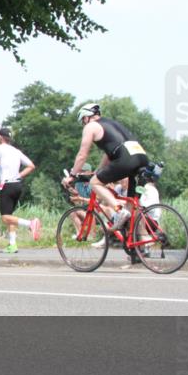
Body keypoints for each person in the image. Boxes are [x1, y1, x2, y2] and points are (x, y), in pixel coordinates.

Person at [63, 103, 150, 262]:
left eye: (83, 120)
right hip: (142, 158)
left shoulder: (91, 127)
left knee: (94, 184)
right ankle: (136, 248)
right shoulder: (112, 123)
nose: (83, 124)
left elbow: (82, 154)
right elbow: (110, 153)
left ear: (87, 117)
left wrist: (72, 175)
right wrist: (98, 171)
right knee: (131, 208)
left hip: (126, 160)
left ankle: (117, 209)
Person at [0, 127, 41, 254]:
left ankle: (30, 224)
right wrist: (19, 175)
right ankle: (12, 245)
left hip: (7, 185)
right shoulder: (16, 151)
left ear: (0, 138)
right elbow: (31, 166)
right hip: (17, 185)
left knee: (5, 218)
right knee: (11, 216)